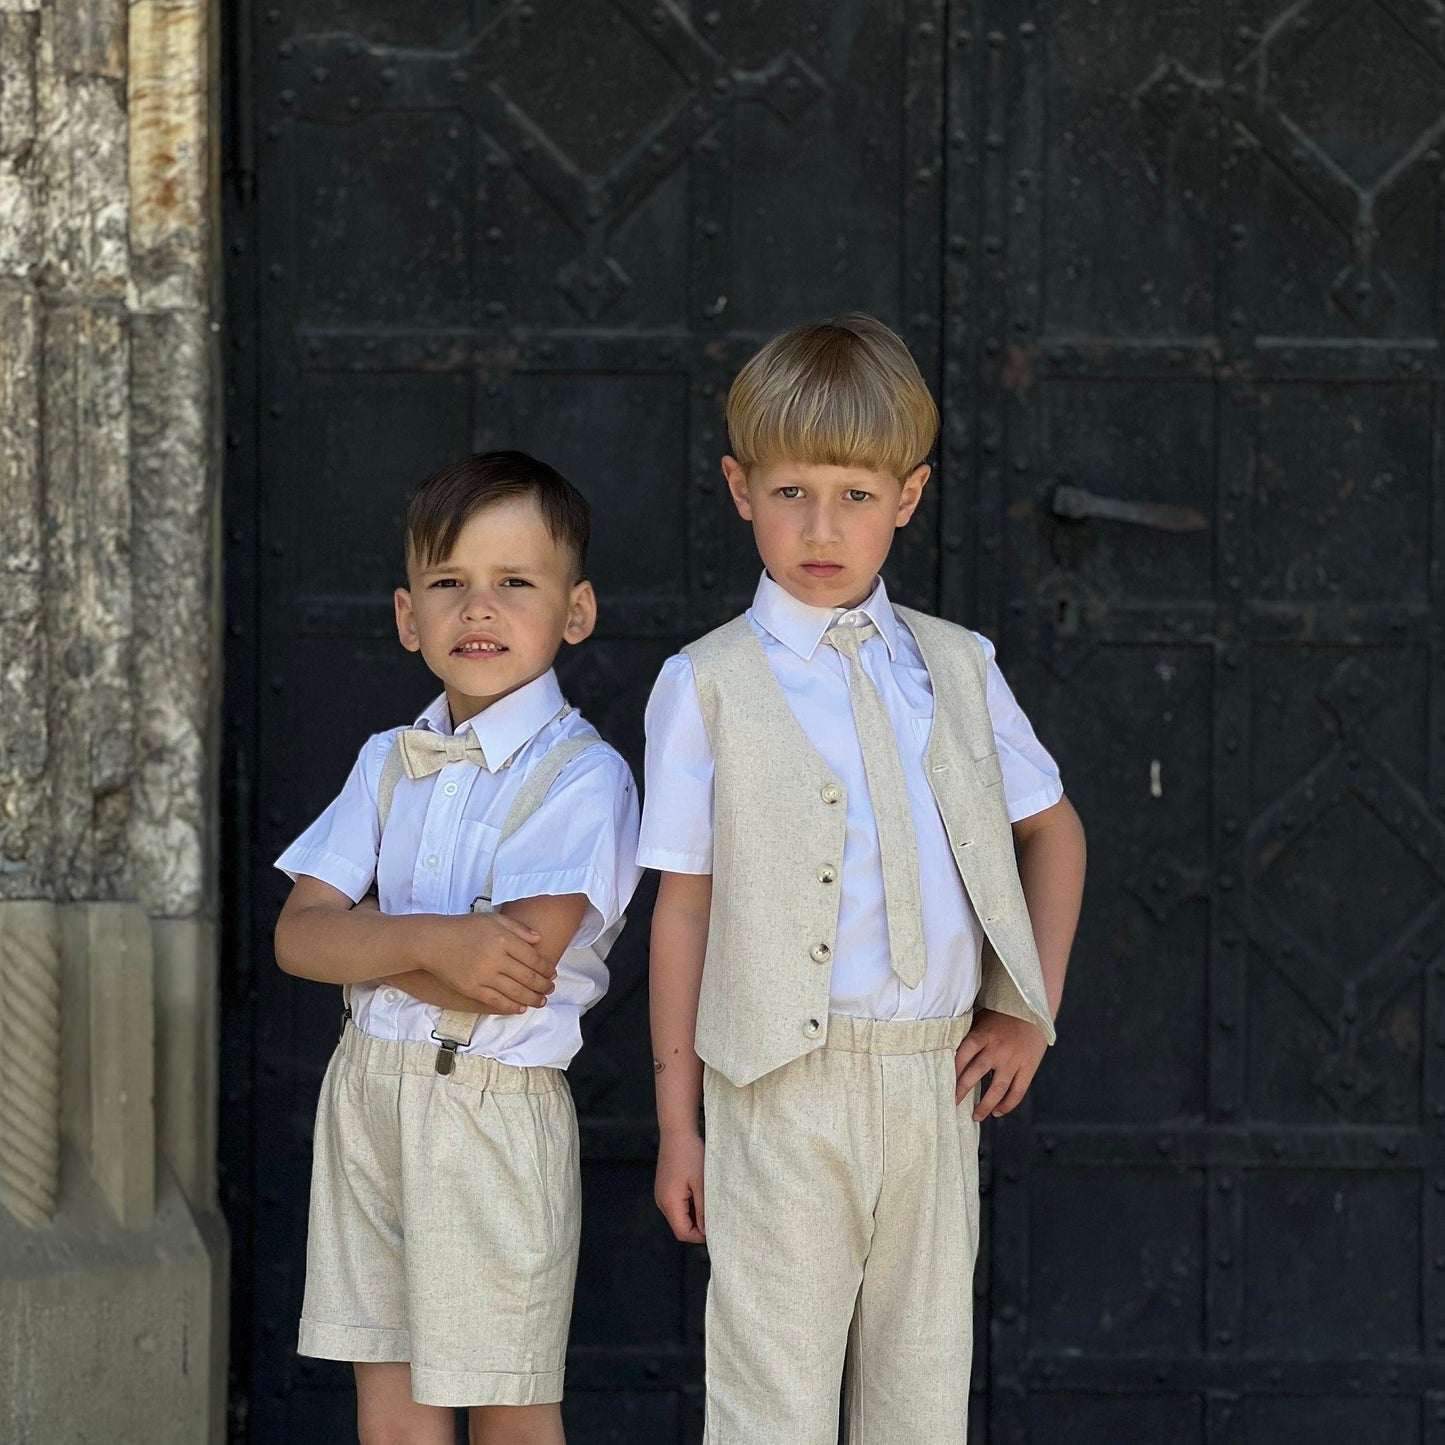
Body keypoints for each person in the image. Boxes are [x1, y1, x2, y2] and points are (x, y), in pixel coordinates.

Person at [641, 316, 1087, 1443]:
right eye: (792, 492)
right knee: (768, 1399)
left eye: (853, 493)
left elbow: (1055, 833)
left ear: (909, 494)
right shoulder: (704, 683)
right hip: (775, 1085)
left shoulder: (955, 663)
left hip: (933, 1085)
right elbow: (680, 907)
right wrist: (678, 1124)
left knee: (919, 1398)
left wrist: (1026, 1007)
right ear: (741, 489)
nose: (821, 527)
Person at [273, 451, 641, 1445]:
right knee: (391, 1410)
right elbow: (294, 938)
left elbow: (509, 969)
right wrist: (436, 935)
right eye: (449, 583)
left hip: (487, 1110)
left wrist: (363, 937)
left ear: (574, 610)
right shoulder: (384, 763)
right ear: (407, 616)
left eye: (514, 581)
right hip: (367, 1096)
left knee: (507, 1402)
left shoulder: (583, 776)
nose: (479, 607)